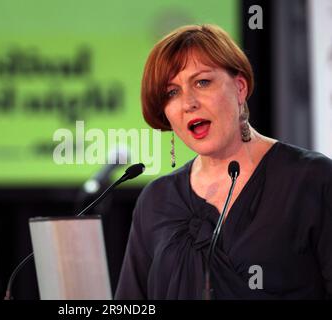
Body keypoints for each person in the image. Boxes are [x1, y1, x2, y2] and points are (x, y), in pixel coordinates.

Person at [115, 24, 332, 299]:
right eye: (171, 92)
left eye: (202, 82)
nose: (188, 103)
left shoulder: (311, 179)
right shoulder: (156, 200)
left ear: (240, 87)